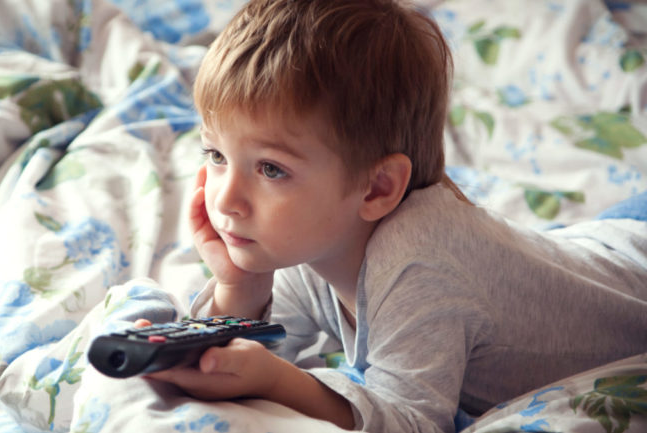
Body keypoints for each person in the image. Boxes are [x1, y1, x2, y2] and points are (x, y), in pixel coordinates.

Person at [135, 0, 647, 432]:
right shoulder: (308, 241)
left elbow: (412, 420)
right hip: (594, 245)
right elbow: (246, 349)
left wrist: (275, 380)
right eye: (216, 155)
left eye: (270, 169)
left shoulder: (420, 264)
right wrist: (239, 283)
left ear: (378, 187)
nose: (225, 199)